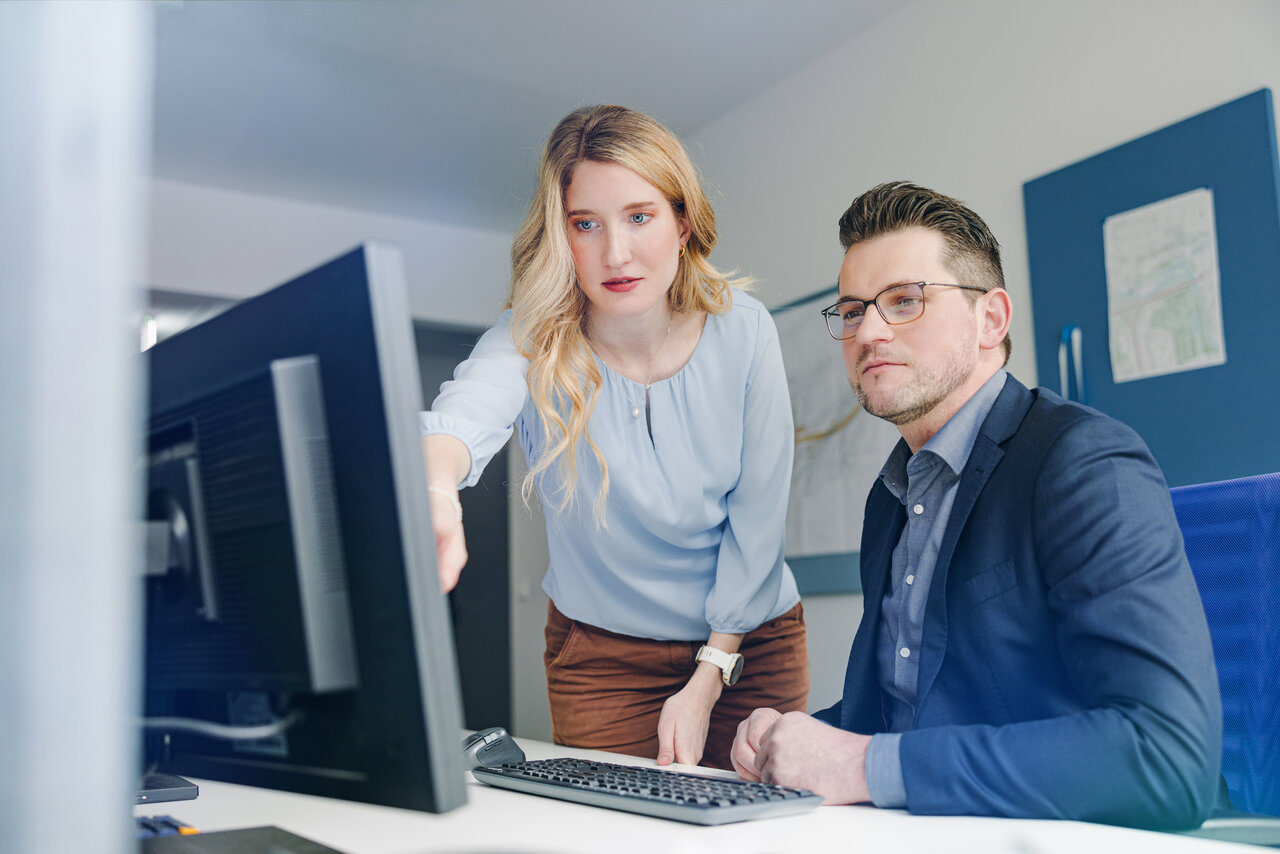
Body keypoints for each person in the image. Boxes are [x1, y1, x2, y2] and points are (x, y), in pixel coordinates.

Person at [730, 181, 1223, 829]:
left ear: (991, 319)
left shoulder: (1081, 461)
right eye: (852, 311)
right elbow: (910, 716)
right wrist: (795, 738)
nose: (869, 331)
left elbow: (1168, 757)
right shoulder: (891, 497)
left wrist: (855, 765)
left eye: (904, 301)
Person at [419, 105, 807, 771]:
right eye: (584, 225)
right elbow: (464, 413)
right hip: (602, 660)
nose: (615, 253)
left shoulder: (743, 329)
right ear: (560, 234)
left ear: (682, 222)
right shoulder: (531, 337)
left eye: (639, 216)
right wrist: (433, 487)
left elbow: (758, 519)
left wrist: (710, 673)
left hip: (749, 644)